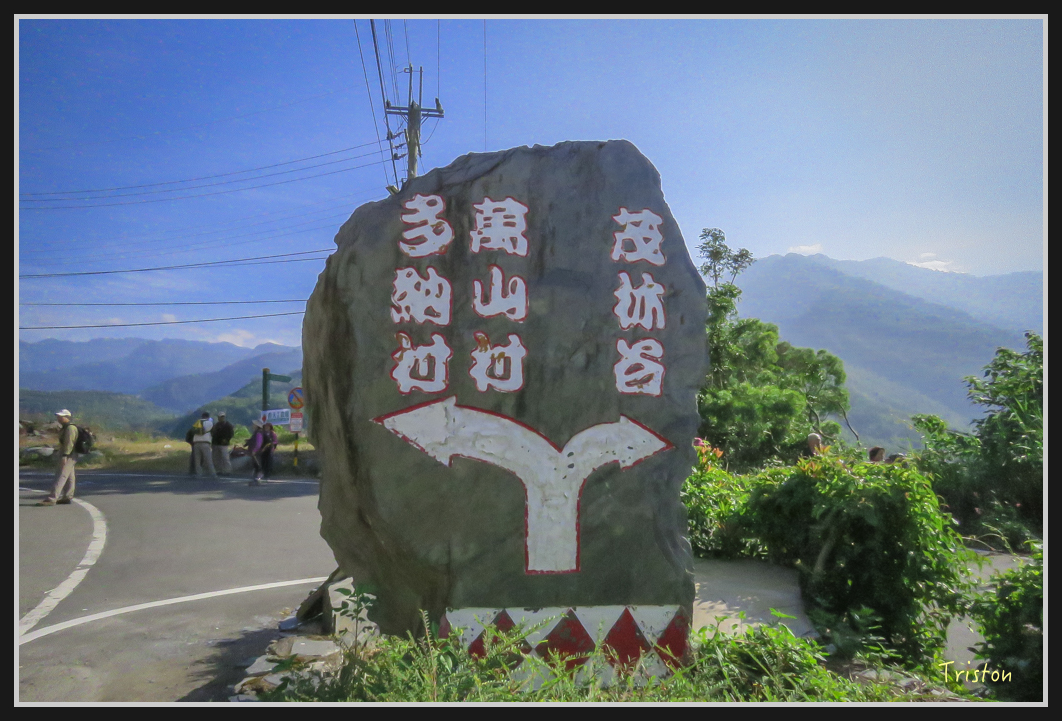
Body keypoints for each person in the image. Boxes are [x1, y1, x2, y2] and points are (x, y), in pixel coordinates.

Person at [38, 410, 78, 506]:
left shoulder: (70, 428)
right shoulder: (66, 427)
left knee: (61, 475)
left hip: (68, 454)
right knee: (69, 476)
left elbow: (69, 443)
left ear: (67, 417)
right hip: (70, 454)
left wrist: (65, 455)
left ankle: (52, 498)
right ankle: (67, 497)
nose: (59, 418)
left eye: (61, 416)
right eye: (59, 416)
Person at [192, 411, 217, 479]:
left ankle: (199, 474)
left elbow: (193, 431)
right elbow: (213, 432)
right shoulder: (209, 423)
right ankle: (213, 473)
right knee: (208, 459)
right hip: (205, 442)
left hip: (196, 442)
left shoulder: (197, 422)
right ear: (208, 417)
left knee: (197, 460)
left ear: (202, 416)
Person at [211, 411, 234, 476]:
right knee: (216, 458)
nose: (222, 418)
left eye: (223, 416)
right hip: (216, 443)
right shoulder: (216, 425)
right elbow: (212, 433)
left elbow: (231, 434)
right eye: (221, 417)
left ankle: (227, 471)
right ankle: (219, 470)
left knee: (225, 458)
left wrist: (226, 439)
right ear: (218, 417)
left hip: (223, 444)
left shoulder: (228, 425)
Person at [247, 419, 266, 486]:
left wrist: (254, 451)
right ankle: (256, 479)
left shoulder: (258, 433)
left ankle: (258, 479)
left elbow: (258, 443)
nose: (253, 425)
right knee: (256, 466)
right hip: (256, 452)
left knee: (257, 466)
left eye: (254, 424)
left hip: (257, 453)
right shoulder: (257, 432)